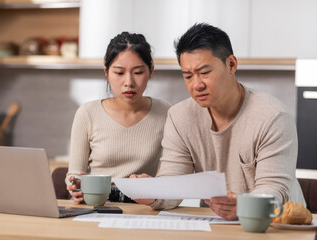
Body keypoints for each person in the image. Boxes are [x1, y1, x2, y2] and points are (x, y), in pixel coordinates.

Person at [131, 23, 305, 220]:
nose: (196, 84)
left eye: (205, 73)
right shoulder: (180, 116)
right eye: (187, 76)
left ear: (231, 64)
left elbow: (274, 189)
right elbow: (174, 183)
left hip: (278, 225)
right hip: (216, 223)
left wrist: (244, 205)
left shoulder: (272, 117)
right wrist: (154, 193)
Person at [66, 32, 170, 203]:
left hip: (142, 205)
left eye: (137, 72)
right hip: (94, 202)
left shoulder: (165, 112)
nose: (129, 82)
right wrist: (74, 184)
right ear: (106, 72)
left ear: (150, 71)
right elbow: (74, 173)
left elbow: (171, 174)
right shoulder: (87, 113)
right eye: (119, 73)